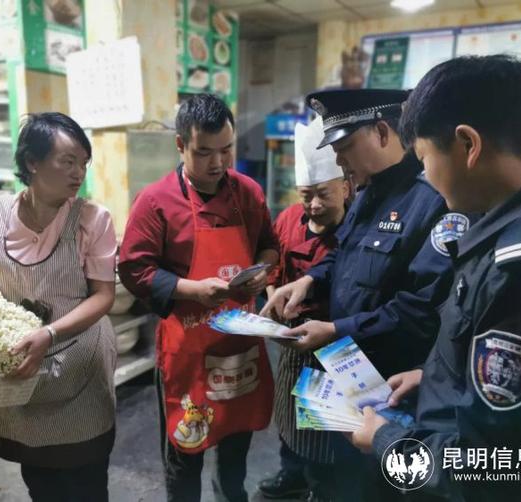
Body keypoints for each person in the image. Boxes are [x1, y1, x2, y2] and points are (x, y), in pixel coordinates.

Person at [350, 55, 521, 502]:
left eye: (425, 159)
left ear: (467, 144)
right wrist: (437, 376)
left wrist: (386, 443)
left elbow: (502, 471)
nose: (426, 177)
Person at [261, 89, 469, 501]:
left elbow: (419, 310)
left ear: (381, 132)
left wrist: (336, 328)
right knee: (330, 478)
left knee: (372, 487)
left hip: (392, 388)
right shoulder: (368, 192)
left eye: (344, 148)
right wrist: (310, 280)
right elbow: (343, 255)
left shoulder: (431, 201)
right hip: (344, 373)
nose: (340, 161)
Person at [118, 93, 279, 502]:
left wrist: (262, 272)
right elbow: (134, 269)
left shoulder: (247, 193)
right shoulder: (155, 202)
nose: (218, 163)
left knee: (235, 448)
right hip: (188, 351)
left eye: (226, 149)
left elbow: (269, 245)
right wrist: (193, 290)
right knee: (185, 452)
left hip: (239, 345)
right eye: (204, 152)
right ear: (180, 145)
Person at [0, 112, 118, 502]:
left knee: (87, 482)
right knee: (40, 480)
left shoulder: (92, 220)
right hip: (23, 371)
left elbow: (104, 295)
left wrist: (49, 333)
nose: (78, 173)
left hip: (80, 369)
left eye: (83, 163)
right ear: (32, 161)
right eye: (67, 161)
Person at [258, 117, 350, 501]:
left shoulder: (356, 228)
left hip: (337, 342)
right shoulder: (286, 221)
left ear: (345, 187)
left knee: (327, 428)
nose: (313, 205)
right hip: (293, 340)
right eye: (305, 195)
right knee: (290, 414)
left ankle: (322, 486)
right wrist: (273, 300)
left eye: (323, 194)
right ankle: (292, 474)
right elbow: (273, 271)